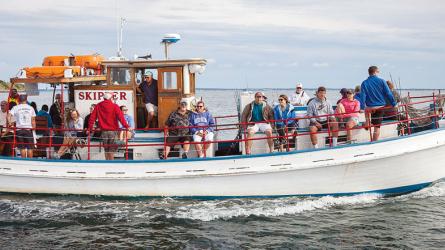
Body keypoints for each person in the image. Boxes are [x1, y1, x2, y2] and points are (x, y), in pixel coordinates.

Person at [88, 93, 129, 160]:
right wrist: (127, 126)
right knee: (111, 151)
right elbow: (121, 118)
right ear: (110, 98)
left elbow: (92, 118)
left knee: (106, 150)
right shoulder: (115, 106)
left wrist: (90, 128)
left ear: (104, 98)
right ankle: (112, 166)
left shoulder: (98, 106)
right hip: (113, 131)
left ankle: (106, 164)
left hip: (104, 132)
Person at [360, 66, 396, 141]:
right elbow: (388, 93)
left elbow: (363, 96)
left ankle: (367, 123)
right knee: (377, 128)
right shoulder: (382, 81)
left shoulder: (364, 83)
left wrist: (362, 108)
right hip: (380, 107)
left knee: (367, 110)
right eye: (378, 72)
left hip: (370, 108)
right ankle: (374, 142)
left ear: (369, 73)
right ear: (375, 72)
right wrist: (393, 103)